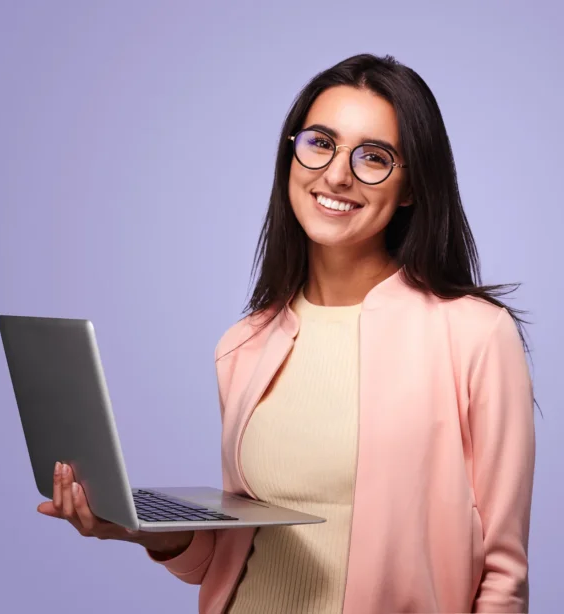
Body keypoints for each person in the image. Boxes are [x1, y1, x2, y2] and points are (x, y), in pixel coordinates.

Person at [39, 53, 536, 613]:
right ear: (292, 153)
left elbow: (503, 576)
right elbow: (229, 554)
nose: (337, 174)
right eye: (320, 142)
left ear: (412, 187)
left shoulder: (473, 335)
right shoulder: (245, 344)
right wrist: (141, 529)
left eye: (374, 156)